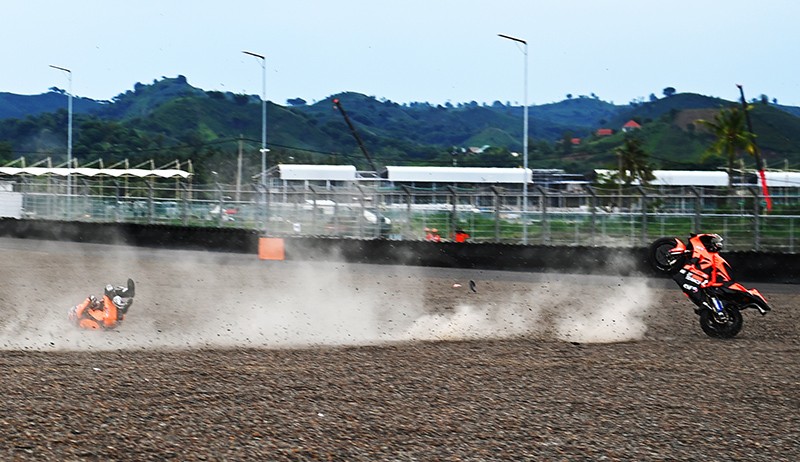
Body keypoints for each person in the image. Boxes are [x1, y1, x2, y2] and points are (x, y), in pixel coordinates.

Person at [671, 234, 732, 314]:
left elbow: (712, 269)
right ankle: (705, 305)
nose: (718, 244)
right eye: (717, 242)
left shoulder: (714, 256)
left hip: (709, 280)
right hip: (705, 278)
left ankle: (706, 305)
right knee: (682, 280)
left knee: (682, 279)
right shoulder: (709, 252)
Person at [68, 279, 135, 330]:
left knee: (110, 296)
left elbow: (99, 308)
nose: (77, 307)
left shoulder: (83, 323)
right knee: (108, 289)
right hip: (106, 318)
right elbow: (84, 305)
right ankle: (124, 299)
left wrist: (95, 303)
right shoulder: (79, 314)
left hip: (111, 323)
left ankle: (122, 308)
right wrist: (90, 298)